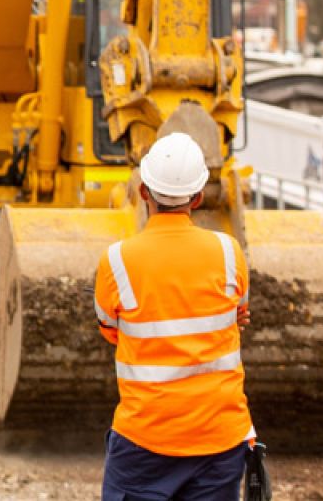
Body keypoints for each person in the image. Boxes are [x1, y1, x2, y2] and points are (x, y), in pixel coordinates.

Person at [95, 132, 255, 501]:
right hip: (221, 437)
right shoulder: (229, 252)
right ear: (198, 198)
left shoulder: (117, 260)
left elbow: (111, 330)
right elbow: (237, 314)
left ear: (144, 191)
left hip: (145, 438)